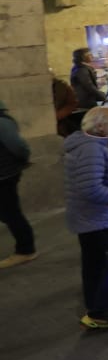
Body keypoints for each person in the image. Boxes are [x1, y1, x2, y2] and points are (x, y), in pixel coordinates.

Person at [64, 106, 108, 330]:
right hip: (99, 215)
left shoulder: (88, 144)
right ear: (101, 126)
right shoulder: (91, 149)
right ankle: (102, 309)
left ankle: (97, 308)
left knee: (94, 260)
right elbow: (90, 188)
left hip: (89, 215)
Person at [0, 97, 37, 268]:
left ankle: (25, 250)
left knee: (11, 213)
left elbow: (19, 146)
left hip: (5, 174)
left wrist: (23, 159)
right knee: (8, 212)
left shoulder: (2, 123)